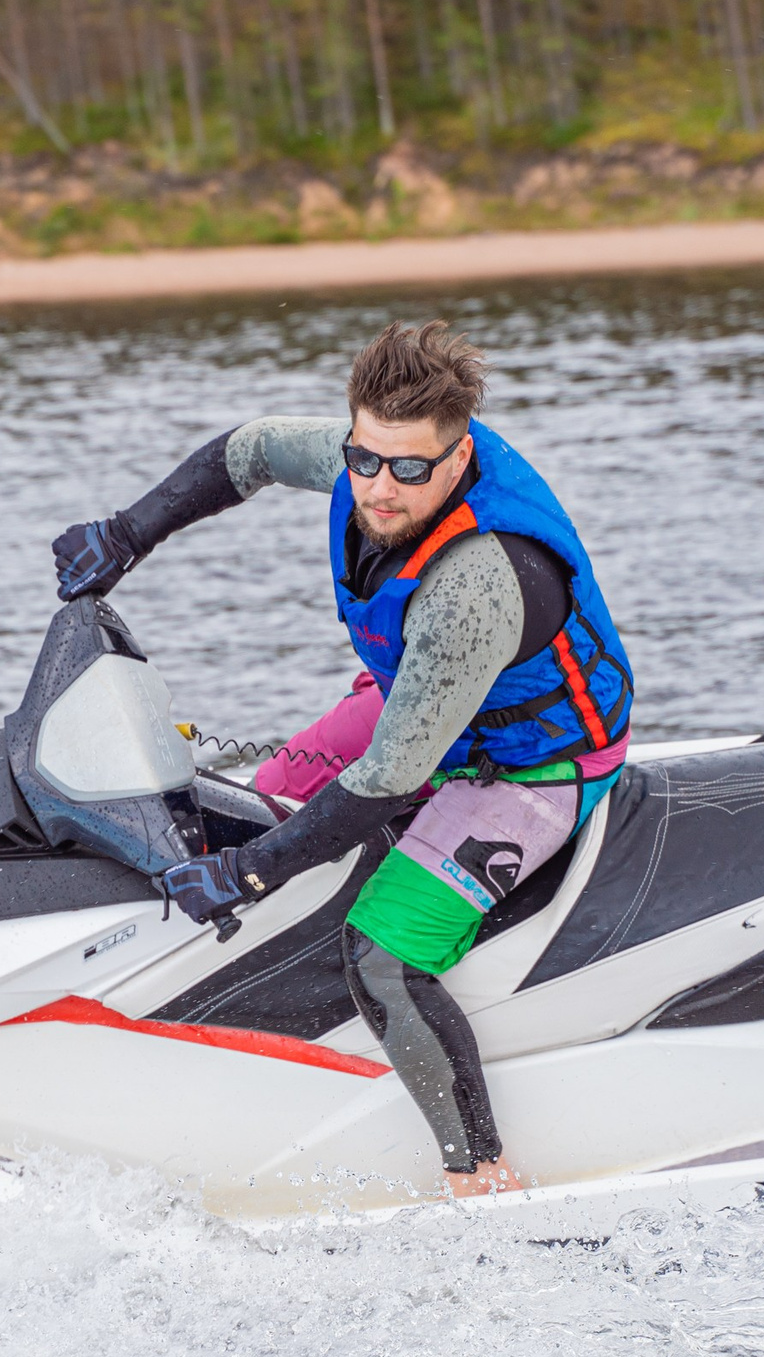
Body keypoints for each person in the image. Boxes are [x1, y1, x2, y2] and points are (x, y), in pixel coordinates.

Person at [51, 322, 633, 1198]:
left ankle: (479, 1170)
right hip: (419, 699)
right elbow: (241, 455)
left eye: (409, 468)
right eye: (366, 459)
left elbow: (387, 780)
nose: (380, 488)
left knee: (381, 953)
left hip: (529, 764)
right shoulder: (366, 458)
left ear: (459, 453)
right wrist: (128, 534)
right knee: (263, 801)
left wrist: (248, 877)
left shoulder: (477, 581)